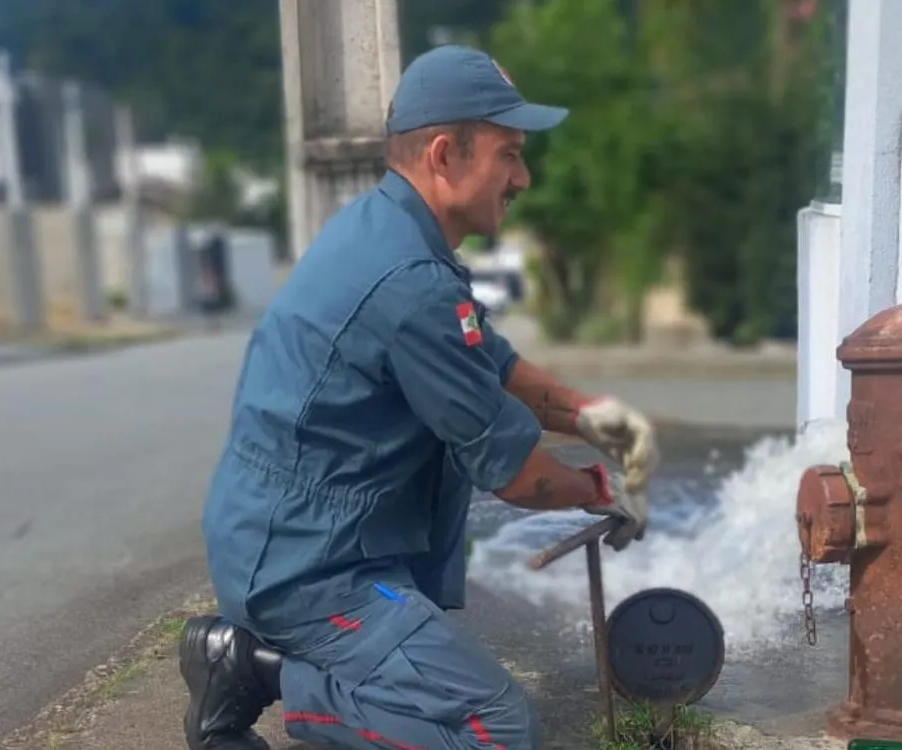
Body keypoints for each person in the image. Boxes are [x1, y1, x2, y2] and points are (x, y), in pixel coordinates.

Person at [178, 44, 658, 750]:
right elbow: (518, 477)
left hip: (304, 541)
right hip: (308, 570)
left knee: (445, 692)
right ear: (444, 155)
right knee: (493, 727)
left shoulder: (392, 234)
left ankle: (275, 671)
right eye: (509, 155)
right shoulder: (410, 282)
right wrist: (599, 486)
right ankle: (256, 671)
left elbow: (497, 370)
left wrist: (597, 419)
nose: (522, 178)